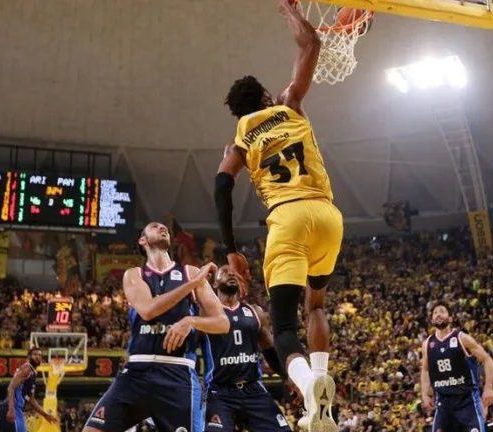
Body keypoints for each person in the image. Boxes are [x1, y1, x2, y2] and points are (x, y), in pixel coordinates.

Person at [214, 0, 342, 430]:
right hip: (328, 215)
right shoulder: (288, 103)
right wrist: (289, 10)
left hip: (287, 220)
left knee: (284, 326)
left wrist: (231, 249)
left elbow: (221, 186)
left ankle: (309, 387)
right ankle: (320, 403)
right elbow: (312, 44)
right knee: (316, 304)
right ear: (267, 97)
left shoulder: (240, 139)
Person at [83, 222, 229, 432]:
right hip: (136, 371)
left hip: (177, 371)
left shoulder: (190, 272)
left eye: (164, 228)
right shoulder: (134, 274)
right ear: (142, 240)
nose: (162, 228)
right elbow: (148, 310)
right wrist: (193, 283)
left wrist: (191, 321)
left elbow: (222, 323)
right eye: (154, 226)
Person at [202, 265, 291, 432]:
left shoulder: (255, 312)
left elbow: (269, 351)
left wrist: (287, 376)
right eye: (225, 272)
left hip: (253, 389)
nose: (231, 274)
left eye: (233, 272)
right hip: (220, 392)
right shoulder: (205, 313)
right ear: (214, 283)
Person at [421, 301, 493, 432]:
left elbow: (487, 360)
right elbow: (425, 370)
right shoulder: (427, 344)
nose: (438, 314)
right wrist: (425, 395)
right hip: (444, 403)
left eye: (442, 311)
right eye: (435, 313)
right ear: (432, 319)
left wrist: (488, 387)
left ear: (450, 318)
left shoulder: (462, 338)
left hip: (467, 401)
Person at [0, 348, 57, 432]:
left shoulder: (33, 373)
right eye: (35, 354)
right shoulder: (26, 368)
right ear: (29, 356)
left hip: (17, 409)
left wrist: (45, 415)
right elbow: (11, 388)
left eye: (39, 355)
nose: (37, 357)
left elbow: (31, 400)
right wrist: (11, 409)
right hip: (11, 408)